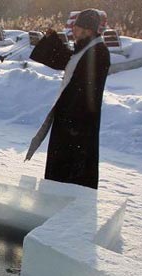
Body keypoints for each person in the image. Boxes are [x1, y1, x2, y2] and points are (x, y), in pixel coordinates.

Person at [25, 9, 110, 190]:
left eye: (77, 27)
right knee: (62, 165)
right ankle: (55, 194)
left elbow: (84, 87)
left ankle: (69, 203)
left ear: (88, 30)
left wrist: (72, 119)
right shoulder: (87, 47)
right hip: (68, 117)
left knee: (74, 168)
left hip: (79, 122)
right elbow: (69, 62)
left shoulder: (98, 52)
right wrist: (51, 41)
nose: (73, 31)